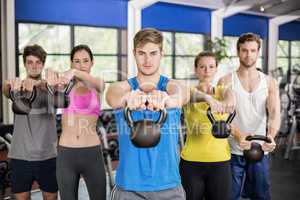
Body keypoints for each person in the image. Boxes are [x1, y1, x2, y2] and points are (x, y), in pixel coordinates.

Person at [106, 28, 189, 200]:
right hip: (129, 189)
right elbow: (112, 95)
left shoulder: (171, 86)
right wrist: (127, 99)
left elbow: (182, 94)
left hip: (169, 187)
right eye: (141, 53)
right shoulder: (123, 88)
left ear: (161, 54)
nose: (147, 60)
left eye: (153, 53)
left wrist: (167, 100)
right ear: (134, 53)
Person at [218, 33, 280, 200]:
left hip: (260, 149)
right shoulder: (225, 81)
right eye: (244, 50)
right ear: (238, 51)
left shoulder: (269, 82)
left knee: (261, 195)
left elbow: (274, 113)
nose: (248, 54)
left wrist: (271, 137)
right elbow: (222, 118)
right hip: (232, 150)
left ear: (258, 52)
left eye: (253, 50)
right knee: (230, 196)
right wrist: (238, 135)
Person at [3, 44, 58, 200]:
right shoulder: (17, 88)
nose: (34, 66)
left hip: (47, 156)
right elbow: (5, 89)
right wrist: (9, 85)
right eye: (30, 62)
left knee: (51, 198)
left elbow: (60, 90)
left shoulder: (51, 87)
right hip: (21, 156)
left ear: (43, 64)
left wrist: (36, 84)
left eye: (38, 62)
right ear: (25, 64)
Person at [53, 44, 106, 200]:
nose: (81, 65)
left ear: (92, 62)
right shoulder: (64, 87)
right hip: (66, 154)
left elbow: (100, 85)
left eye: (85, 60)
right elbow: (51, 92)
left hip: (92, 153)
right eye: (76, 61)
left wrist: (75, 72)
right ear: (71, 63)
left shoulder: (97, 84)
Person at [180, 51, 235, 200]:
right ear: (196, 69)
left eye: (211, 67)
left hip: (220, 160)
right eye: (202, 67)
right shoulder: (188, 92)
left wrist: (227, 103)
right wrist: (207, 98)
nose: (207, 71)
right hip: (191, 162)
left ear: (216, 69)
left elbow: (230, 97)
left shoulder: (223, 91)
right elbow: (188, 97)